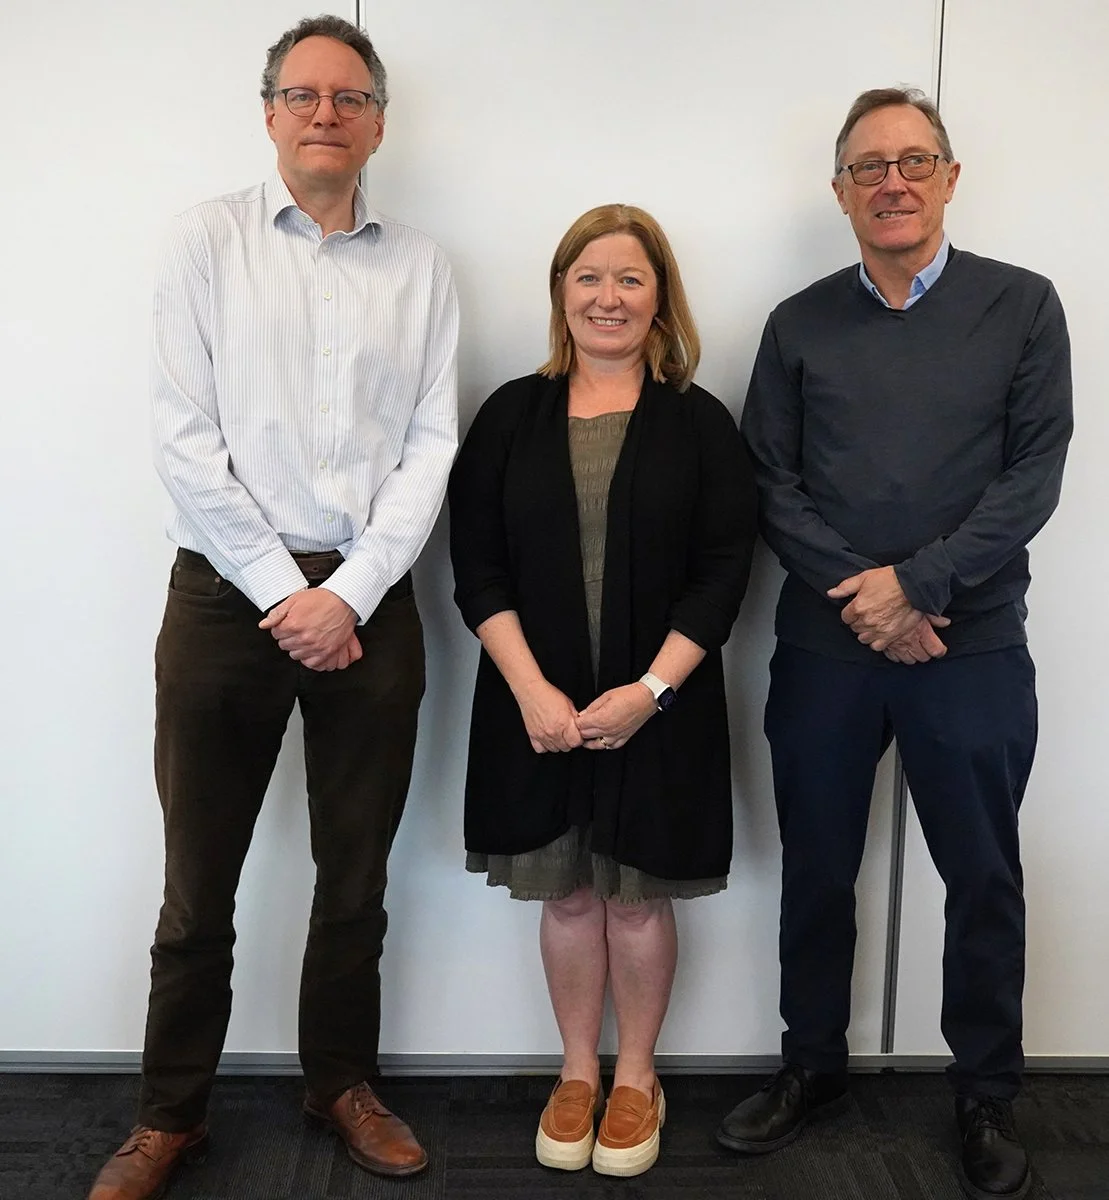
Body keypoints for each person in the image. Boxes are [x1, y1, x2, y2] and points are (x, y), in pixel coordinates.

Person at [87, 15, 458, 1200]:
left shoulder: (423, 266)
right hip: (222, 601)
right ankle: (168, 1117)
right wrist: (284, 593)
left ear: (379, 122)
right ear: (267, 112)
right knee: (199, 881)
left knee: (355, 879)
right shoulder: (205, 241)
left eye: (348, 97)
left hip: (371, 597)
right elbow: (182, 441)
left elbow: (430, 445)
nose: (324, 114)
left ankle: (338, 1082)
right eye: (301, 95)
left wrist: (344, 592)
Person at [716, 88, 1071, 1200]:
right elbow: (767, 481)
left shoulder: (1021, 308)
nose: (891, 182)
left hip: (966, 650)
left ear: (950, 178)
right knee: (816, 871)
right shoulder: (796, 322)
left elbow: (1031, 476)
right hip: (825, 654)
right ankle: (808, 1064)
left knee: (980, 877)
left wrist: (915, 589)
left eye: (912, 161)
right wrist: (862, 600)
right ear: (839, 192)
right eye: (866, 167)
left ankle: (982, 1094)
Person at [449, 204, 757, 1178]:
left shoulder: (699, 423)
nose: (607, 297)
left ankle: (636, 1076)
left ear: (659, 297)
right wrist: (531, 691)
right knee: (571, 895)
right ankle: (575, 1070)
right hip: (532, 711)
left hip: (656, 712)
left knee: (634, 901)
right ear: (559, 293)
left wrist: (648, 693)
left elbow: (722, 573)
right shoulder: (508, 414)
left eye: (629, 278)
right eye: (588, 277)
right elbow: (476, 567)